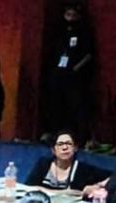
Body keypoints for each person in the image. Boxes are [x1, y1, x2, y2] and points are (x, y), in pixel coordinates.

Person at [42, 3, 95, 143]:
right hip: (58, 72)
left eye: (73, 15)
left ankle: (77, 136)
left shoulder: (84, 32)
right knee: (56, 104)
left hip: (75, 76)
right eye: (68, 15)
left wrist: (76, 69)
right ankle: (55, 133)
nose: (70, 19)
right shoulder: (59, 30)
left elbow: (89, 54)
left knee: (75, 106)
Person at [24, 131, 108, 192]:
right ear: (53, 150)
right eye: (60, 144)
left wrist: (98, 186)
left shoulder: (82, 168)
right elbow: (28, 188)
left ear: (75, 148)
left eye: (69, 144)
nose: (65, 148)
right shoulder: (43, 164)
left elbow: (113, 177)